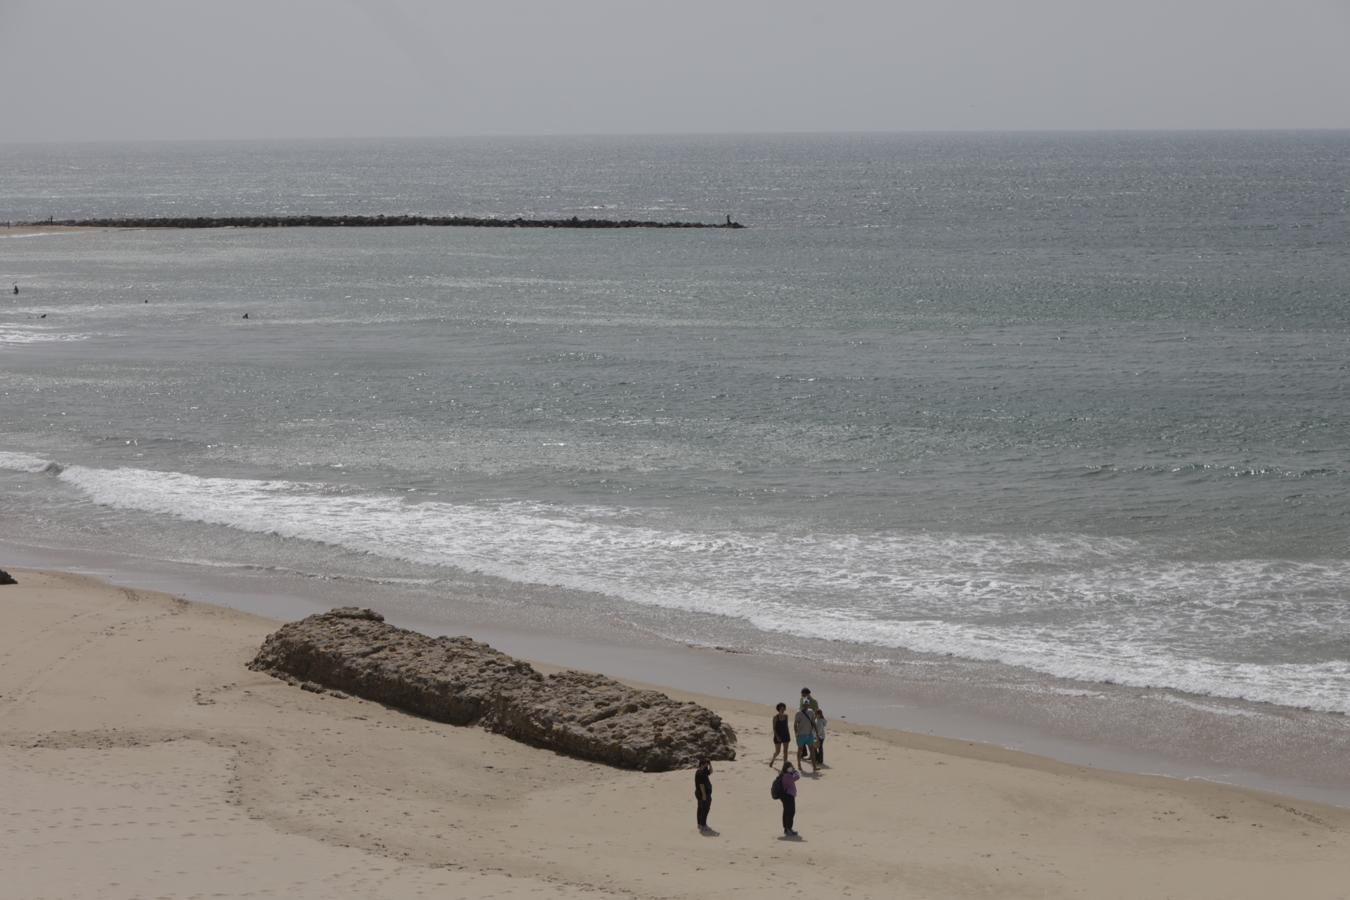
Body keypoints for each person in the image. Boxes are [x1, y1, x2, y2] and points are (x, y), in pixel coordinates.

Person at [778, 760, 801, 836]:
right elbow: (797, 777)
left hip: (787, 796)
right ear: (787, 768)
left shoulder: (784, 774)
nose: (791, 768)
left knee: (787, 812)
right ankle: (788, 829)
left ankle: (787, 829)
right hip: (788, 796)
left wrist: (792, 771)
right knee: (790, 812)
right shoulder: (787, 776)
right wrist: (795, 771)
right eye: (790, 767)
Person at [794, 705, 817, 772]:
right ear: (802, 705)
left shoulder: (811, 712)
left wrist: (816, 733)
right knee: (800, 750)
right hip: (801, 735)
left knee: (812, 750)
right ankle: (799, 764)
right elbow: (795, 724)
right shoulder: (798, 713)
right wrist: (796, 734)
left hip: (809, 735)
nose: (805, 706)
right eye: (804, 704)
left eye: (807, 704)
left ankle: (814, 766)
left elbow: (813, 722)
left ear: (808, 705)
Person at [693, 757, 714, 833]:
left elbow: (711, 772)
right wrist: (704, 795)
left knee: (701, 808)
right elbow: (701, 785)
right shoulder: (700, 773)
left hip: (701, 793)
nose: (706, 765)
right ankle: (703, 825)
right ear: (702, 764)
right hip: (702, 794)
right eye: (705, 764)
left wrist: (710, 764)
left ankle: (700, 824)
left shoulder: (703, 771)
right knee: (705, 809)